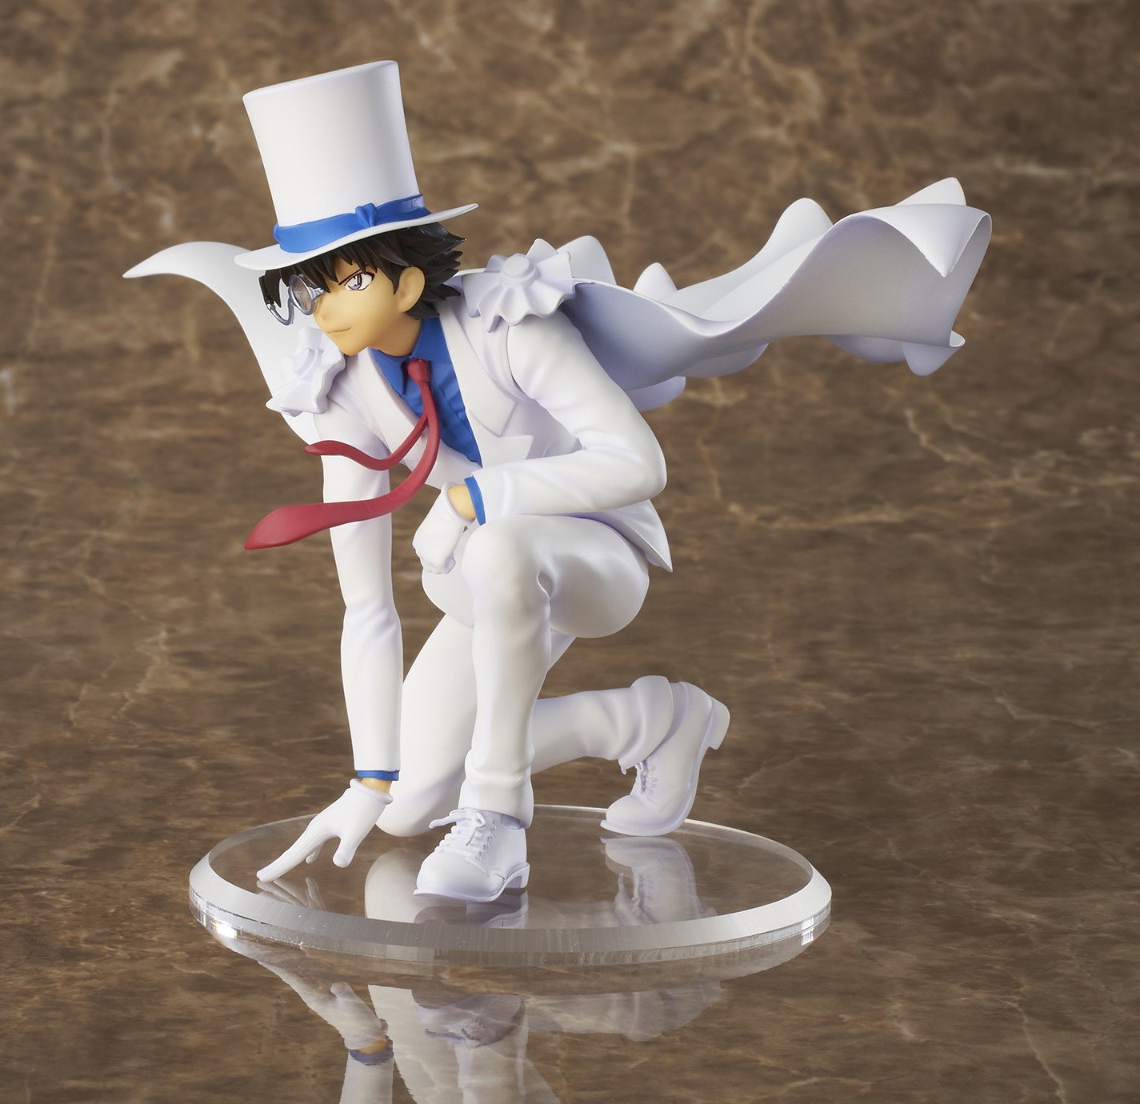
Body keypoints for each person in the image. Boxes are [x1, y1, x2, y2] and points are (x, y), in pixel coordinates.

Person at [125, 60, 990, 903]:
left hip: (593, 556)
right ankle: (653, 722)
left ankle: (498, 821)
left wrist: (473, 499)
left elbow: (637, 463)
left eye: (346, 279)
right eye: (309, 288)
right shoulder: (342, 388)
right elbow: (366, 607)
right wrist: (365, 778)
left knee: (501, 551)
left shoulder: (512, 327)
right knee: (406, 806)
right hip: (480, 583)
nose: (325, 308)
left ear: (409, 275)